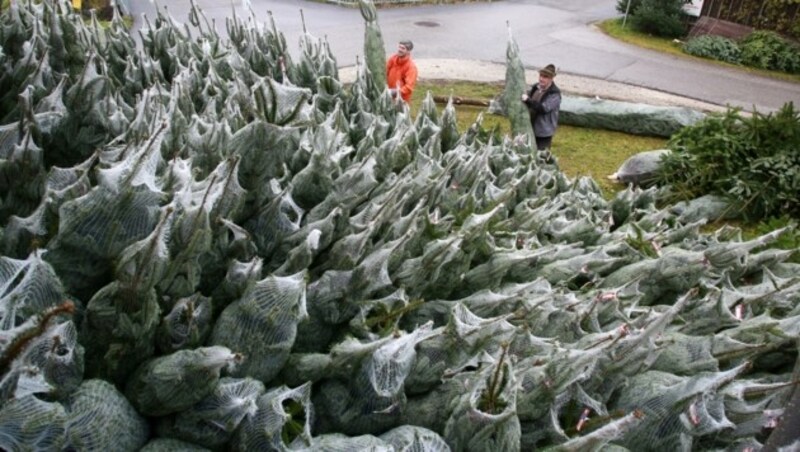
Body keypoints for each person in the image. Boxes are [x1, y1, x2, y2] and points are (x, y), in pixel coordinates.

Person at [521, 64, 562, 150]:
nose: (541, 79)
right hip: (530, 128)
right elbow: (528, 96)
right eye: (541, 75)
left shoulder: (554, 94)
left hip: (544, 132)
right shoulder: (536, 87)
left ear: (551, 78)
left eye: (545, 77)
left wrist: (528, 100)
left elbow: (544, 108)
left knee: (541, 157)